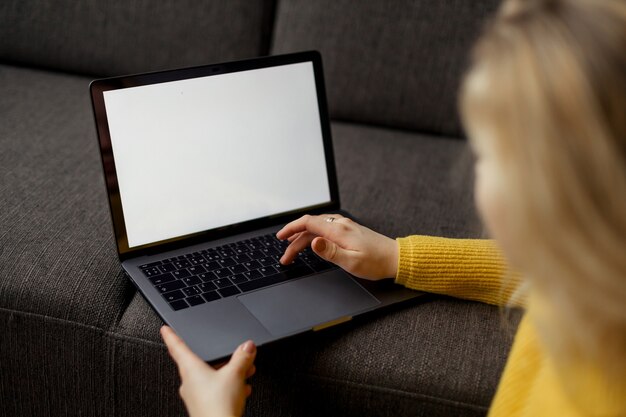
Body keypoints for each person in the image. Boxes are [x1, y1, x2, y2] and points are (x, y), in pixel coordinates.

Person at [161, 0, 626, 415]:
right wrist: (397, 257)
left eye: (487, 153)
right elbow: (551, 267)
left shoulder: (594, 394)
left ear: (560, 191)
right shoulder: (594, 280)